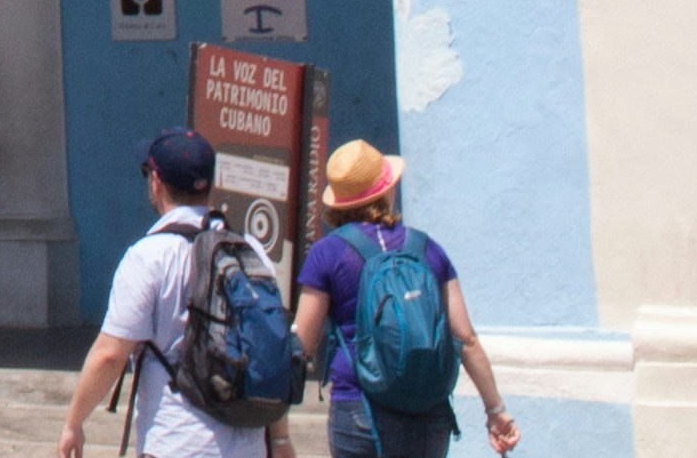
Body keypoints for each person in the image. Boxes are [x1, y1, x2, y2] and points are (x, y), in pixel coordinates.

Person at [293, 141, 516, 458]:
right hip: (428, 412)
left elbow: (303, 342)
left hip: (359, 408)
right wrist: (495, 410)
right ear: (386, 189)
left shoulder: (327, 253)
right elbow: (465, 339)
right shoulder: (428, 249)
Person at [62, 129, 275, 458]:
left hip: (177, 441)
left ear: (156, 181)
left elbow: (110, 354)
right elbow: (268, 346)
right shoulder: (250, 250)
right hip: (247, 444)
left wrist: (73, 423)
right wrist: (282, 437)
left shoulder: (148, 256)